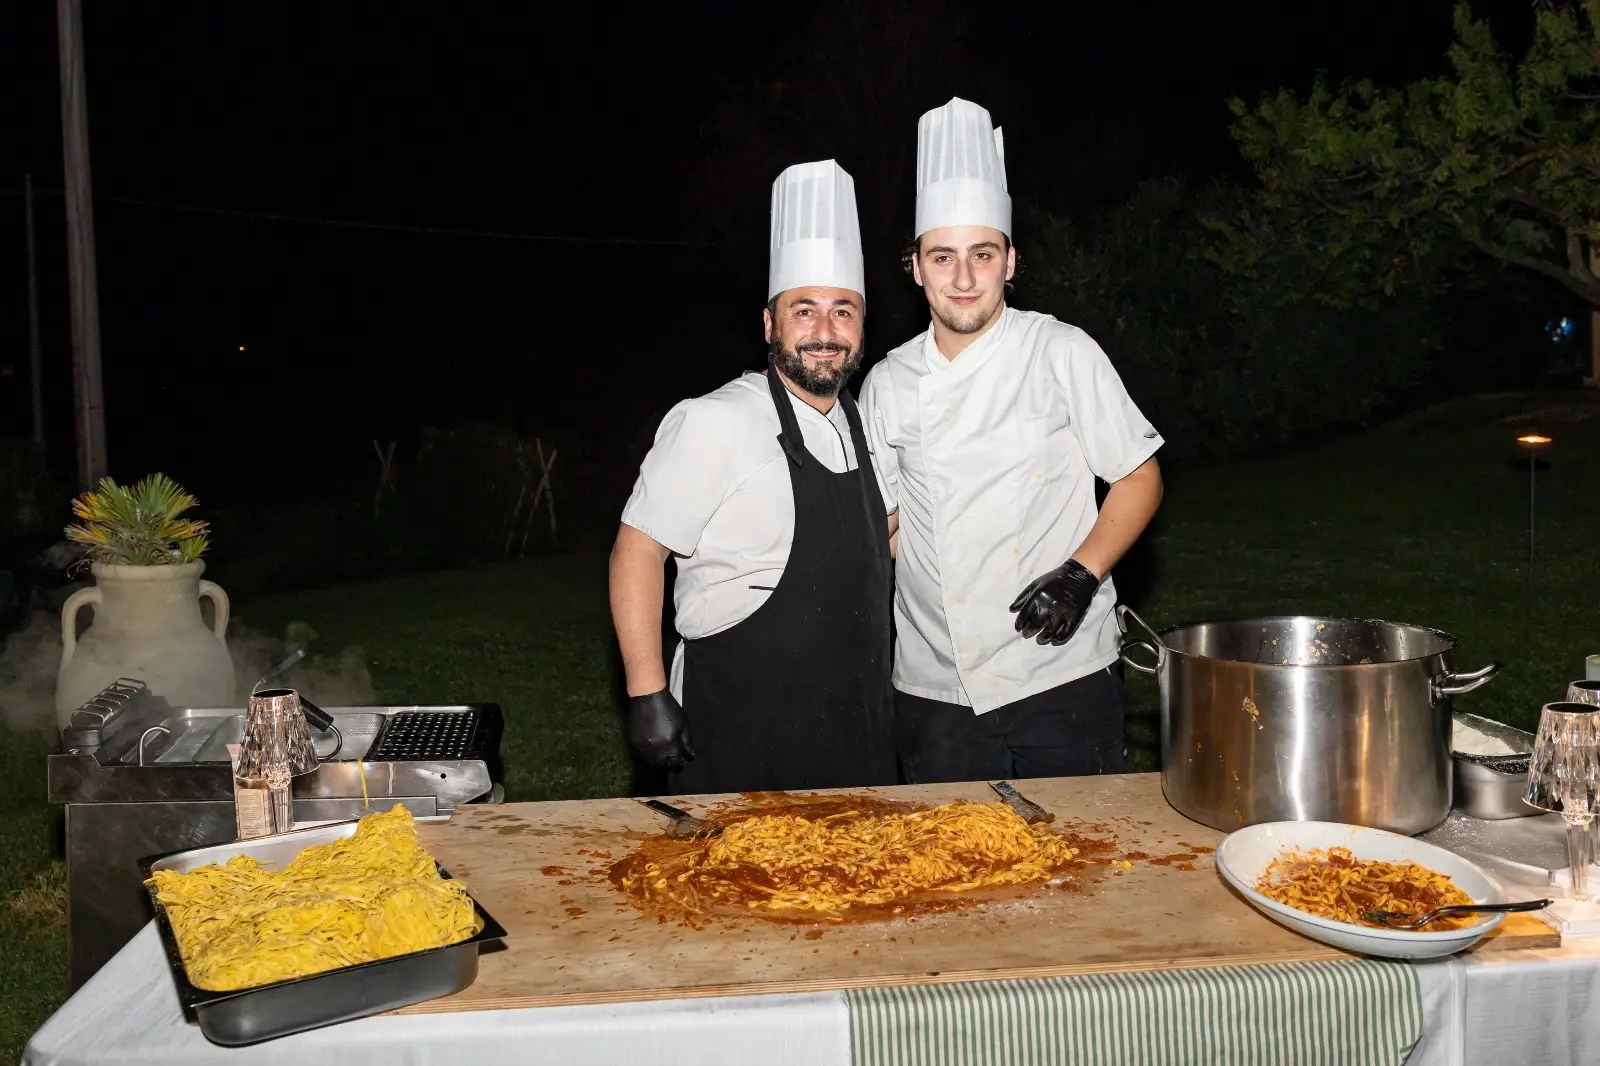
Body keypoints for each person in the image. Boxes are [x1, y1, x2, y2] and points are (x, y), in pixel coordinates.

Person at [859, 98, 1165, 784]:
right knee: (949, 883)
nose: (963, 278)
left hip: (1059, 671)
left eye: (982, 255)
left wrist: (1082, 574)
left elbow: (1139, 476)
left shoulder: (1061, 351)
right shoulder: (887, 383)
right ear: (914, 267)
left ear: (1011, 261)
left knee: (1079, 869)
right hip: (933, 685)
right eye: (943, 257)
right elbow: (885, 527)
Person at [609, 160, 896, 795]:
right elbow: (638, 550)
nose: (824, 333)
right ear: (770, 324)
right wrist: (646, 692)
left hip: (856, 729)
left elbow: (883, 539)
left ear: (862, 323)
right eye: (804, 311)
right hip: (739, 730)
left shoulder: (866, 420)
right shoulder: (715, 420)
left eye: (842, 312)